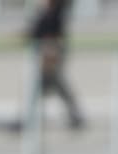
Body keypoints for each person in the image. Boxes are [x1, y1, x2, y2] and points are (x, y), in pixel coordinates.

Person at [27, 0, 84, 129]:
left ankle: (28, 118)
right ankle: (74, 116)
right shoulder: (49, 11)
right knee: (50, 85)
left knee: (46, 84)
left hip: (51, 52)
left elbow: (47, 32)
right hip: (48, 51)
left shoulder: (55, 12)